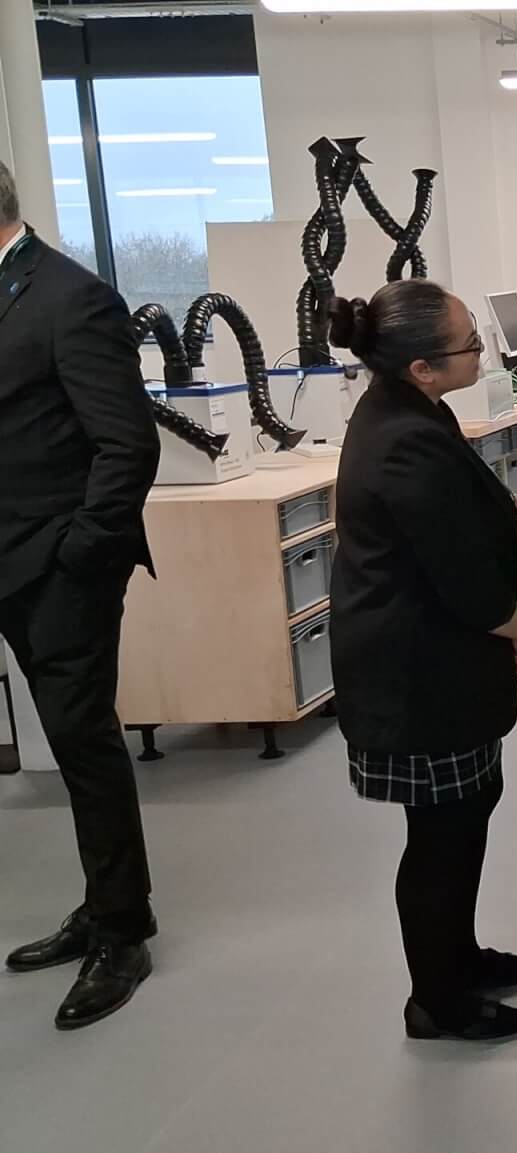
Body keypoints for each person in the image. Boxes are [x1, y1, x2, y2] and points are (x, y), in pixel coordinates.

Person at [327, 281, 517, 1042]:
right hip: (418, 675)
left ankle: (459, 956)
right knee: (439, 840)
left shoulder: (409, 410)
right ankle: (436, 1000)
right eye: (469, 346)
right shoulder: (404, 439)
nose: (482, 353)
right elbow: (459, 574)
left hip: (438, 665)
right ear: (422, 366)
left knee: (463, 816)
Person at [0, 160, 162, 1031]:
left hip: (59, 569)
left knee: (85, 744)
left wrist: (79, 557)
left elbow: (126, 445)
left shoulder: (70, 298)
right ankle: (102, 905)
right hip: (11, 561)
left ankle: (124, 932)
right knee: (70, 746)